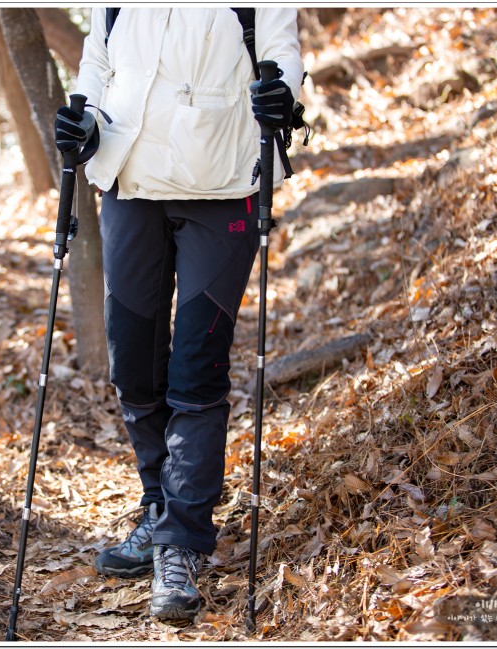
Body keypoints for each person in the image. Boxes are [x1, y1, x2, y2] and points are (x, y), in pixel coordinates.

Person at [54, 8, 303, 622]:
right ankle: (157, 507)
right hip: (127, 181)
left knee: (196, 365)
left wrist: (282, 94)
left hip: (222, 185)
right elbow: (99, 59)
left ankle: (181, 543)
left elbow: (284, 53)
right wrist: (80, 116)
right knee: (133, 362)